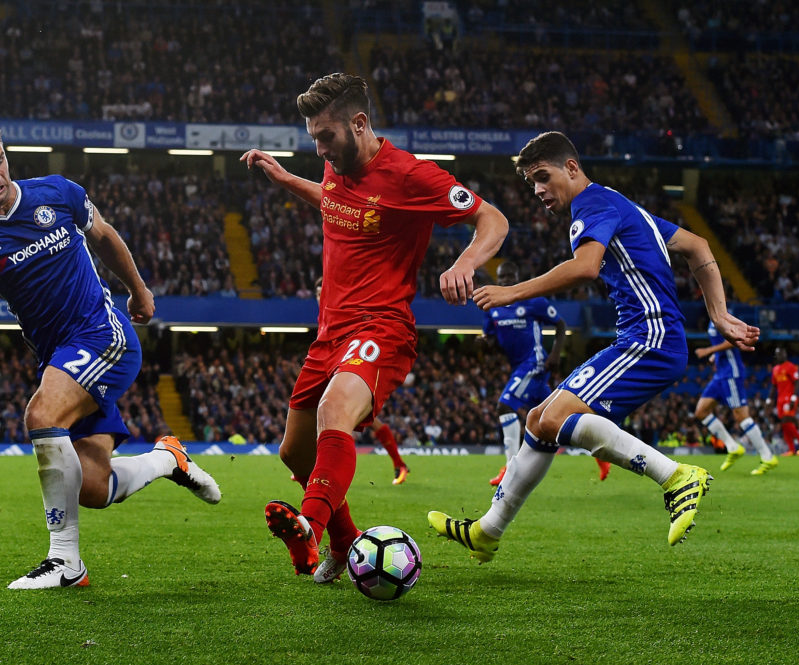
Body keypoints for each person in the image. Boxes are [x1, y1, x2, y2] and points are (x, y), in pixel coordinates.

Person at [429, 131, 759, 562]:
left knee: (558, 416)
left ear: (572, 167)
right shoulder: (619, 203)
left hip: (650, 338)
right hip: (647, 338)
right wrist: (717, 312)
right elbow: (697, 245)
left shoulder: (593, 204)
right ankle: (488, 530)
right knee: (538, 420)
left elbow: (585, 267)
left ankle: (676, 475)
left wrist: (511, 292)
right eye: (532, 184)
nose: (539, 191)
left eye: (543, 177)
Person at [240, 73, 508, 583]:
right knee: (293, 451)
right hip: (329, 331)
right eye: (314, 138)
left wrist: (467, 262)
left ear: (359, 124)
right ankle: (343, 544)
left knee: (333, 410)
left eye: (326, 137)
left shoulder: (412, 176)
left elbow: (492, 218)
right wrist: (285, 180)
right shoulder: (335, 165)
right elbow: (336, 203)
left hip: (381, 327)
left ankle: (310, 529)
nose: (319, 148)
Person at [0, 116, 221, 590]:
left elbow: (105, 236)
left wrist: (138, 290)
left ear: (6, 154)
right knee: (93, 488)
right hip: (59, 355)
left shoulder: (57, 192)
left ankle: (65, 562)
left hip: (101, 333)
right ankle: (168, 460)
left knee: (41, 414)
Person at [482, 261, 609, 485]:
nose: (506, 281)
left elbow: (560, 325)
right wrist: (484, 343)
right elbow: (491, 340)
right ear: (497, 280)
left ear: (517, 276)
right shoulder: (493, 306)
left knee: (505, 405)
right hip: (520, 366)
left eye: (510, 275)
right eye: (502, 277)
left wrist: (555, 355)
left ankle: (510, 469)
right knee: (558, 420)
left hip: (535, 362)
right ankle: (600, 454)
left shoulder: (532, 300)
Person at [315, 276, 410, 485]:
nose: (321, 296)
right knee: (329, 417)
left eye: (324, 291)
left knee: (339, 420)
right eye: (318, 293)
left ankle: (323, 475)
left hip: (353, 367)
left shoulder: (344, 313)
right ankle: (316, 470)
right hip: (331, 368)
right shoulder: (324, 319)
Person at [694, 318, 778, 475]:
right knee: (701, 411)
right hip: (720, 374)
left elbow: (734, 341)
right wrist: (716, 356)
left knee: (741, 417)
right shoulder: (712, 319)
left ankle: (767, 456)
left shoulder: (724, 318)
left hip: (731, 374)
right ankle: (733, 447)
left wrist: (709, 351)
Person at [772, 347, 799, 456]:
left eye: (782, 353)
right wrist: (768, 399)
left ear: (785, 355)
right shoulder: (775, 369)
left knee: (787, 421)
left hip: (789, 398)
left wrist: (793, 398)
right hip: (780, 400)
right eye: (778, 354)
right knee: (784, 424)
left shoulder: (791, 367)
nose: (780, 356)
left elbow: (797, 382)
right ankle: (791, 450)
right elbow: (773, 385)